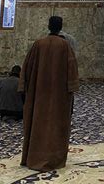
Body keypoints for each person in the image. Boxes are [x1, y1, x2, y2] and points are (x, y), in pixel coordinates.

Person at [18, 15, 79, 171]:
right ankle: (54, 159)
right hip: (59, 96)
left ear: (48, 26)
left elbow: (26, 69)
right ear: (61, 27)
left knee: (37, 123)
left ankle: (34, 157)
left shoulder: (38, 45)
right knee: (56, 125)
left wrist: (24, 89)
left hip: (38, 94)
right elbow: (72, 71)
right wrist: (71, 91)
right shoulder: (65, 46)